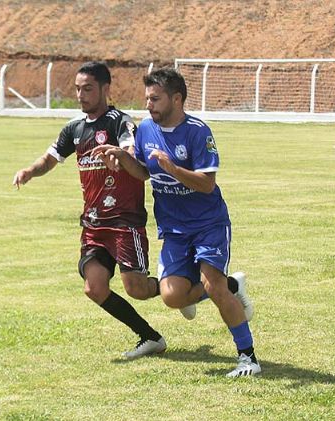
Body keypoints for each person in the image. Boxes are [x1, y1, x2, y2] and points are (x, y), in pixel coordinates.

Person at [91, 68, 259, 377]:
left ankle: (248, 357)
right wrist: (120, 156)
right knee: (171, 296)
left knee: (213, 286)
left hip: (208, 223)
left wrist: (171, 167)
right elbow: (143, 172)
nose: (149, 105)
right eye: (147, 99)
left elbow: (207, 184)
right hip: (173, 228)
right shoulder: (145, 130)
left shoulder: (197, 131)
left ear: (176, 99)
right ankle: (233, 284)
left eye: (155, 99)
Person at [13, 62, 166, 360]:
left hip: (124, 221)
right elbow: (50, 158)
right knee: (94, 287)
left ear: (106, 89)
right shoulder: (74, 128)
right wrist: (30, 171)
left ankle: (185, 288)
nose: (81, 95)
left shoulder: (119, 122)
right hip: (95, 225)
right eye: (78, 89)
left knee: (137, 288)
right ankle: (150, 337)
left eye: (88, 89)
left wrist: (119, 156)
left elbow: (132, 152)